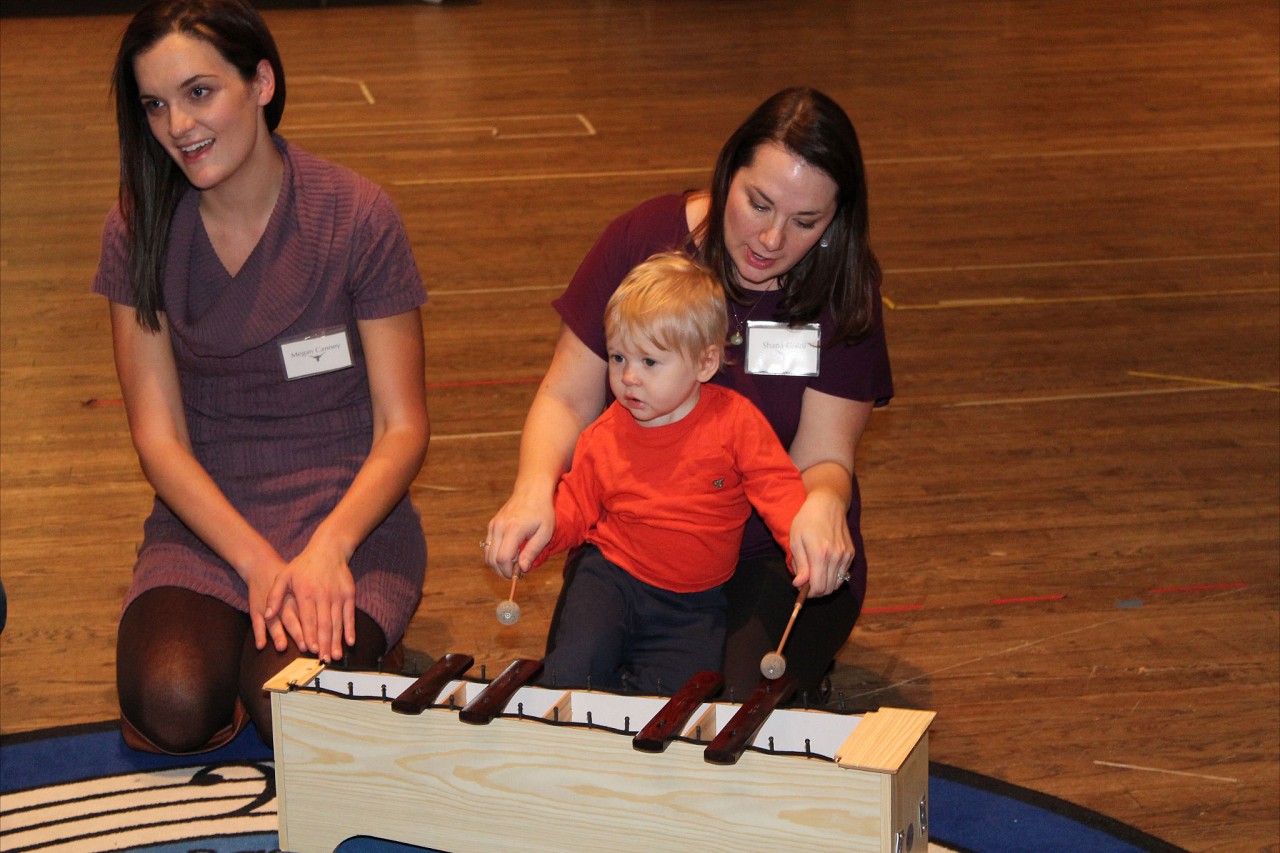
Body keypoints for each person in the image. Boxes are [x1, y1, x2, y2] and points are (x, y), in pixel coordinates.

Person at [94, 0, 429, 753]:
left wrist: (327, 548)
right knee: (172, 701)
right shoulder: (137, 229)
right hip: (207, 521)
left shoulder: (358, 216)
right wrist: (254, 564)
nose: (178, 126)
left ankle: (360, 642)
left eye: (199, 92)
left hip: (347, 518)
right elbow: (159, 439)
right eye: (155, 104)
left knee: (294, 711)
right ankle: (244, 644)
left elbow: (403, 428)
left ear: (263, 82)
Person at [486, 87, 892, 703]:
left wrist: (823, 506)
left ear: (836, 220)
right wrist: (533, 491)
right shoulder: (641, 239)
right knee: (581, 687)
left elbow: (821, 459)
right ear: (728, 174)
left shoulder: (844, 289)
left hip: (768, 552)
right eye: (758, 204)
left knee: (719, 710)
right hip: (636, 539)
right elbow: (567, 400)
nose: (772, 239)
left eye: (806, 222)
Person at [505, 252, 808, 695]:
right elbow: (574, 504)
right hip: (610, 580)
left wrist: (801, 539)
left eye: (649, 363)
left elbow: (777, 486)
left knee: (671, 705)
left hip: (693, 604)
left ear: (704, 364)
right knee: (573, 673)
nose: (628, 377)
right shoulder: (604, 434)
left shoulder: (735, 424)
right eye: (617, 357)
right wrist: (536, 542)